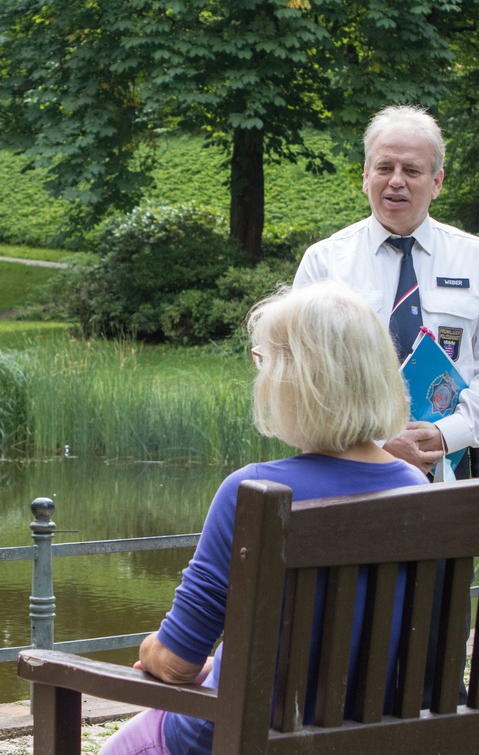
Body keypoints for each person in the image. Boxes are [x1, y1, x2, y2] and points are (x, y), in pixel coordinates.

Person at [99, 281, 429, 755]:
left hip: (242, 739)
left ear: (295, 379)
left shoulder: (250, 492)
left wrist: (152, 650)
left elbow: (176, 665)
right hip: (362, 738)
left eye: (264, 361)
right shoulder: (414, 488)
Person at [293, 105, 479, 478]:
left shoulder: (477, 259)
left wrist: (446, 433)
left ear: (437, 182)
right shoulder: (325, 263)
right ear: (366, 175)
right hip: (348, 467)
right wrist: (379, 443)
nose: (396, 180)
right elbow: (302, 372)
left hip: (449, 467)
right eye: (385, 168)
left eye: (412, 170)